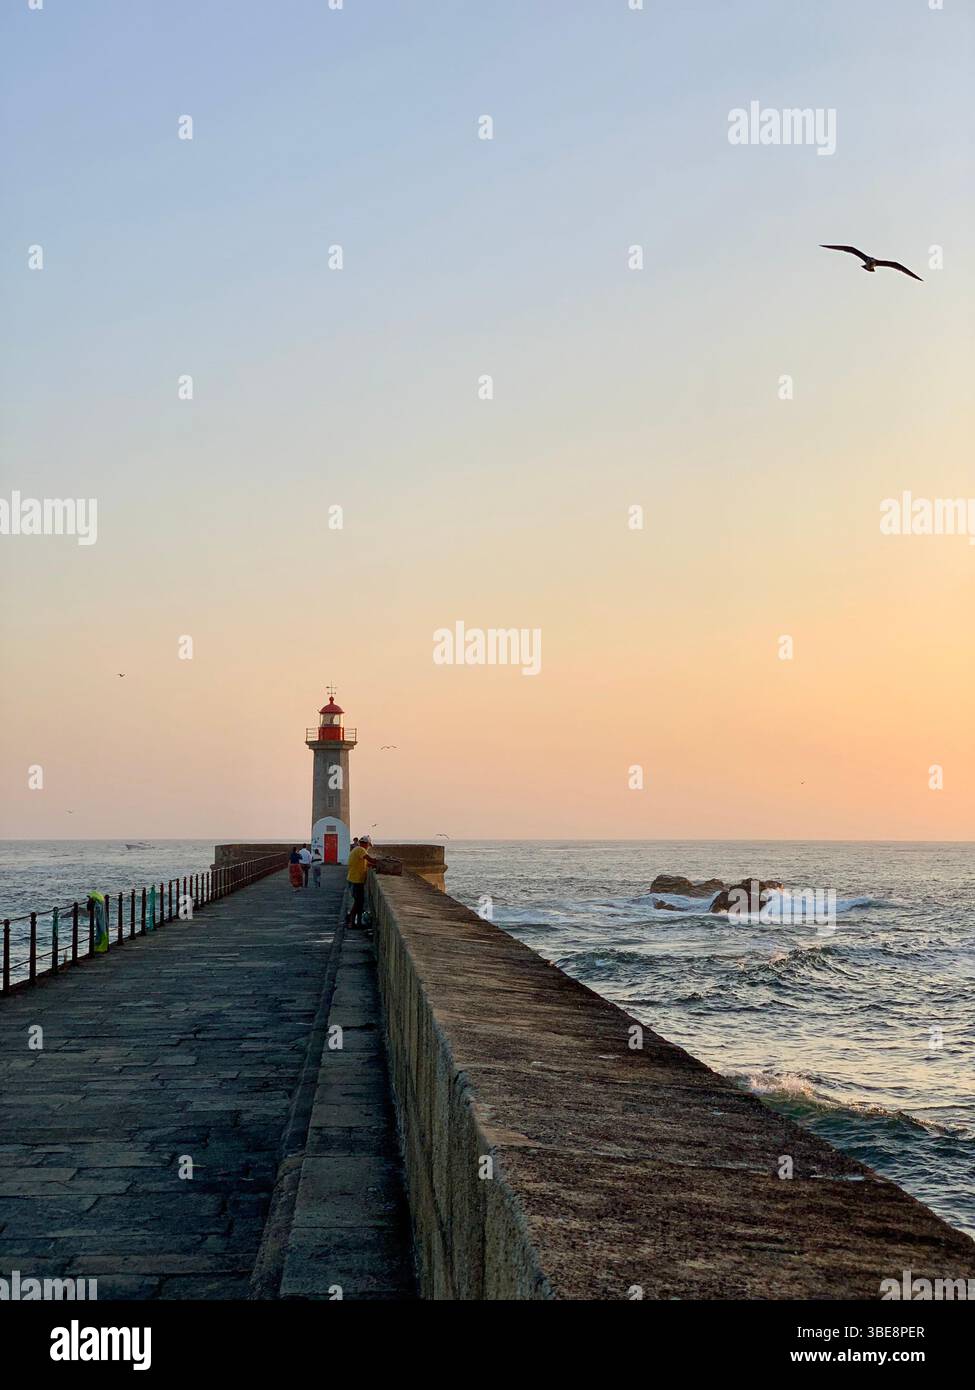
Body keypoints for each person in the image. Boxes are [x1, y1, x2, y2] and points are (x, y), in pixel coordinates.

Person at [345, 834, 377, 927]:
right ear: (366, 844)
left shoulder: (357, 850)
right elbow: (370, 859)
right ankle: (351, 922)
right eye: (368, 845)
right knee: (358, 902)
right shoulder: (360, 850)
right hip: (356, 881)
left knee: (359, 902)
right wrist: (381, 862)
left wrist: (372, 865)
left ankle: (357, 922)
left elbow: (366, 863)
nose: (368, 848)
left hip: (355, 880)